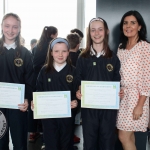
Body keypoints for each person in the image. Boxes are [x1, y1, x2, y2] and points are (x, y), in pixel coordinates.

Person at [76, 17, 123, 150]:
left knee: (107, 141)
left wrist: (120, 91)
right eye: (93, 30)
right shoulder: (83, 58)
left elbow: (117, 80)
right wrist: (78, 91)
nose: (97, 33)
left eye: (100, 29)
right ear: (89, 33)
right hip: (89, 109)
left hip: (108, 109)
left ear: (106, 31)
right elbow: (78, 79)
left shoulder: (113, 58)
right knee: (89, 142)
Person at [33, 37, 78, 150]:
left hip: (67, 119)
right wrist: (35, 102)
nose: (60, 54)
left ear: (68, 52)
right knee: (51, 145)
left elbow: (78, 93)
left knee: (66, 145)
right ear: (51, 53)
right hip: (49, 119)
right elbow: (39, 90)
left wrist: (76, 102)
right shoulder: (44, 71)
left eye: (64, 51)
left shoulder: (74, 71)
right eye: (56, 51)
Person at [116, 10, 150, 150]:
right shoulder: (120, 48)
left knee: (125, 136)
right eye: (125, 23)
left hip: (138, 97)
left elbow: (147, 78)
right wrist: (119, 90)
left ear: (140, 26)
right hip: (124, 98)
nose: (128, 26)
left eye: (133, 23)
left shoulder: (145, 47)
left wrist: (140, 104)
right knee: (127, 137)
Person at [0, 13, 33, 150]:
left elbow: (30, 80)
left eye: (15, 27)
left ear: (19, 29)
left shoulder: (25, 53)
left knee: (19, 144)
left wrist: (27, 99)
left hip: (18, 106)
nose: (10, 30)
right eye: (7, 26)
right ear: (2, 27)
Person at [28, 26, 58, 149]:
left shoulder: (36, 47)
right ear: (52, 35)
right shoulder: (51, 46)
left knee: (35, 105)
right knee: (47, 106)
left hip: (34, 78)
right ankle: (46, 137)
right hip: (46, 77)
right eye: (56, 35)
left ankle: (32, 133)